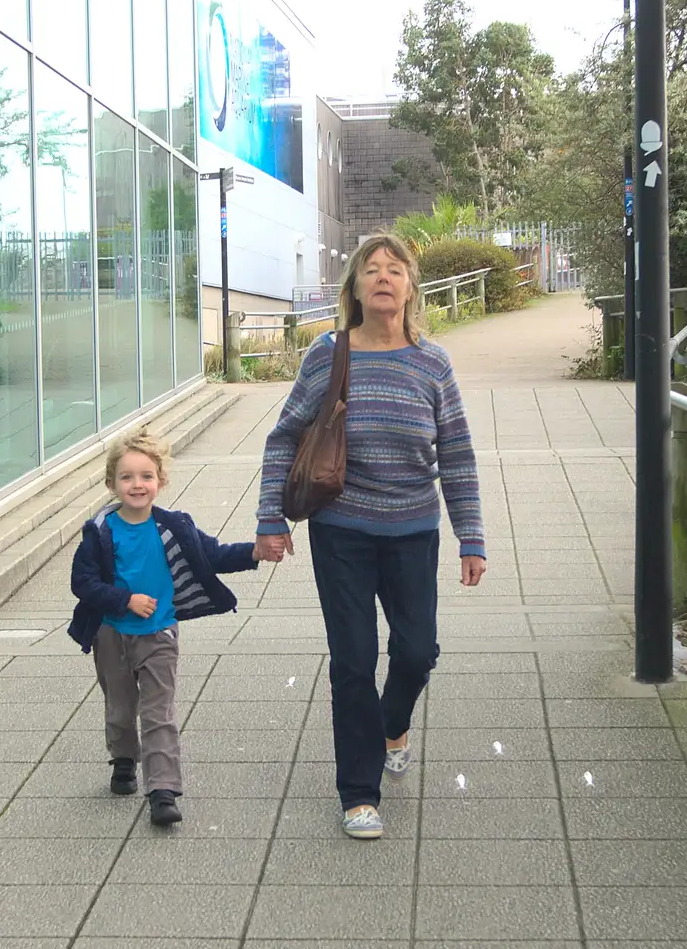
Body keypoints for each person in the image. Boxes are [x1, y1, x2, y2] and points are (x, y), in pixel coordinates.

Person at [254, 232, 487, 839]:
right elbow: (284, 437)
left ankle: (393, 724)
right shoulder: (328, 355)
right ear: (355, 288)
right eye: (371, 270)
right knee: (354, 660)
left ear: (411, 288)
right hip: (343, 534)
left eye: (395, 270)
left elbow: (457, 452)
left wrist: (471, 536)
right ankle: (359, 791)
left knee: (417, 653)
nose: (383, 278)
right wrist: (269, 519)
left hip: (413, 532)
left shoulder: (433, 362)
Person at [68, 426, 267, 826]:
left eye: (146, 476)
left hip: (159, 635)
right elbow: (82, 583)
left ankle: (162, 790)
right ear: (111, 483)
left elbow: (214, 555)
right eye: (126, 477)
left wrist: (256, 551)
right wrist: (124, 600)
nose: (137, 484)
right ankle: (124, 759)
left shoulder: (173, 526)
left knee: (158, 713)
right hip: (112, 635)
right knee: (121, 709)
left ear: (160, 480)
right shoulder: (100, 532)